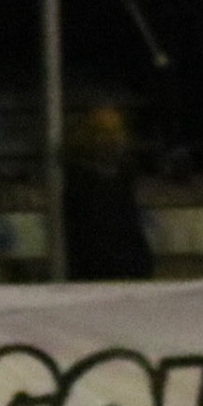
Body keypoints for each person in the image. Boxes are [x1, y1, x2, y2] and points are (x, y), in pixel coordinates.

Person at [61, 105, 153, 281]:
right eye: (105, 132)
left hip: (129, 271)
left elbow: (131, 229)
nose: (113, 139)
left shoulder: (124, 178)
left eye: (117, 132)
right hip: (94, 275)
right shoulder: (79, 182)